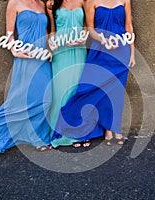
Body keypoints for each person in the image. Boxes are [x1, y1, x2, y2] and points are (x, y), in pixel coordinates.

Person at [0, 0, 52, 153]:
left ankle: (34, 134)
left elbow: (45, 31)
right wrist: (15, 51)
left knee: (46, 99)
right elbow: (9, 33)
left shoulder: (42, 3)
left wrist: (49, 50)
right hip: (26, 59)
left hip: (42, 58)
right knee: (21, 100)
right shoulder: (14, 2)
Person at [53, 0, 136, 145]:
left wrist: (132, 52)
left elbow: (128, 25)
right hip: (101, 50)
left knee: (117, 90)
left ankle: (113, 128)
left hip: (121, 50)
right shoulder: (91, 1)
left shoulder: (125, 0)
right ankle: (68, 118)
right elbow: (91, 29)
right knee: (94, 89)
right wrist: (103, 40)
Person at [45, 0, 89, 148]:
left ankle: (77, 133)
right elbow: (52, 30)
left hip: (79, 49)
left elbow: (88, 27)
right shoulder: (51, 3)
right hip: (61, 51)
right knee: (60, 90)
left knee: (76, 90)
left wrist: (82, 40)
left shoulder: (83, 1)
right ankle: (58, 132)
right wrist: (51, 44)